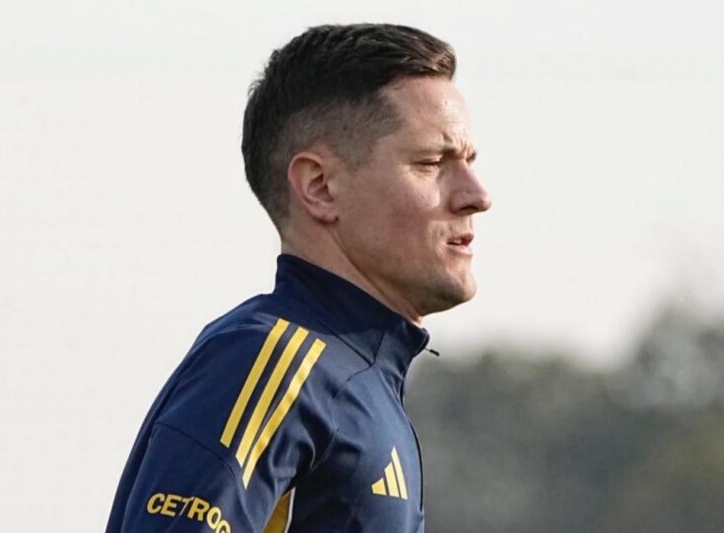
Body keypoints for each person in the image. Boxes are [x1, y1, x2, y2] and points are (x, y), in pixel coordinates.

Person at [106, 22, 491, 532]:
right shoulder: (271, 362)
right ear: (320, 187)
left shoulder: (359, 380)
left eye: (469, 161)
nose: (476, 195)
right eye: (431, 162)